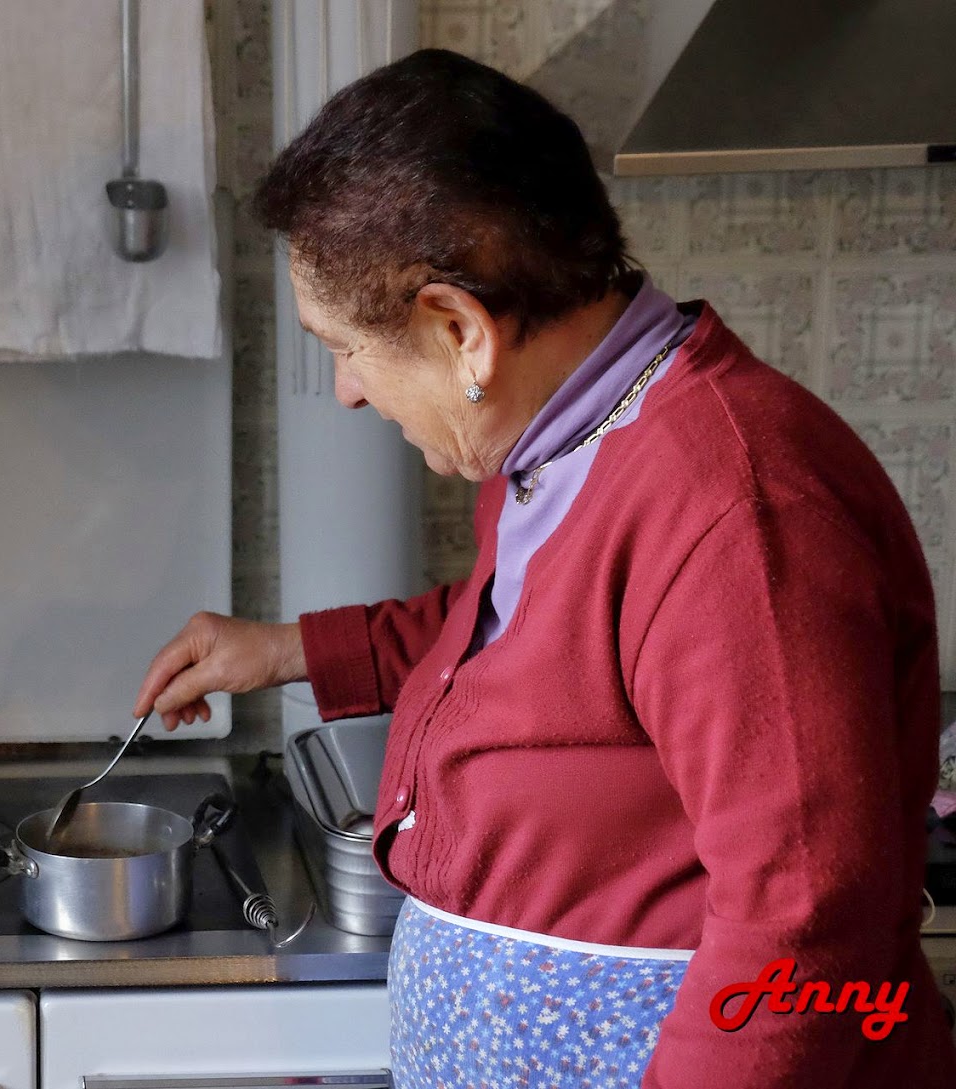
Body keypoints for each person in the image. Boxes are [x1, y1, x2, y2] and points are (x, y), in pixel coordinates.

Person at [133, 48, 956, 1088]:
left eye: (342, 346)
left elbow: (803, 927)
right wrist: (289, 650)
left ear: (460, 331)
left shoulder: (742, 519)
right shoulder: (570, 442)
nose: (346, 390)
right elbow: (534, 638)